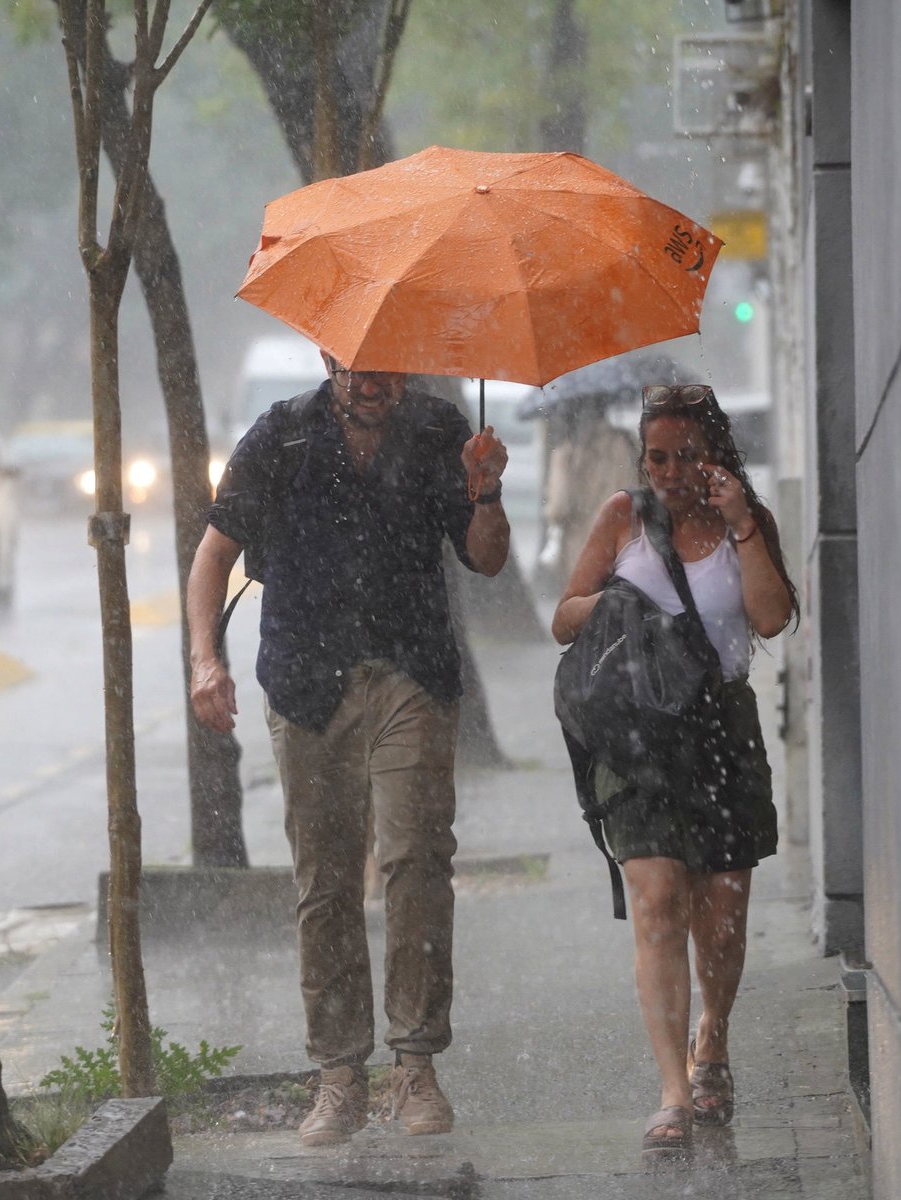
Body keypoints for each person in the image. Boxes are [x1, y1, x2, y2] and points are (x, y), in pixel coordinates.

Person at [187, 357, 509, 1147]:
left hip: (411, 674)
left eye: (389, 369)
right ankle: (338, 1073)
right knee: (326, 880)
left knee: (416, 861)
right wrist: (205, 659)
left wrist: (486, 488)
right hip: (307, 680)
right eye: (359, 369)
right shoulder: (282, 433)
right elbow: (212, 554)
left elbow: (488, 556)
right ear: (329, 359)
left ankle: (415, 1062)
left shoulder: (438, 431)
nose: (374, 383)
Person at [549, 383, 799, 1160]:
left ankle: (712, 1041)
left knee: (720, 908)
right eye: (655, 455)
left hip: (720, 727)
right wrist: (623, 605)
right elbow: (564, 618)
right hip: (637, 735)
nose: (667, 470)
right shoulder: (623, 518)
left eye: (684, 455)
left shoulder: (743, 524)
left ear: (714, 454)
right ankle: (672, 1092)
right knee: (657, 898)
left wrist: (742, 524)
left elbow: (769, 618)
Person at [538, 392, 639, 587]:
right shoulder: (626, 442)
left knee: (584, 605)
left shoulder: (568, 451)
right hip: (623, 540)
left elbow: (558, 508)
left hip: (582, 543)